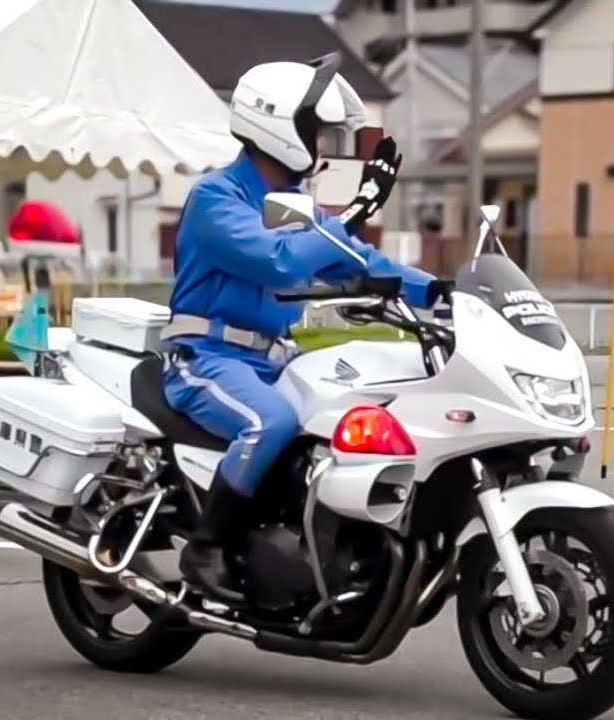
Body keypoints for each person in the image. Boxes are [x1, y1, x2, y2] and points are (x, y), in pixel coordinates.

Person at [159, 53, 448, 603]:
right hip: (203, 357)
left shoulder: (291, 206)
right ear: (279, 125)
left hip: (269, 359)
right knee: (271, 421)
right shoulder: (215, 198)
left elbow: (360, 262)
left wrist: (439, 290)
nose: (322, 144)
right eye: (315, 130)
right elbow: (278, 262)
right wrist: (360, 204)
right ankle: (206, 548)